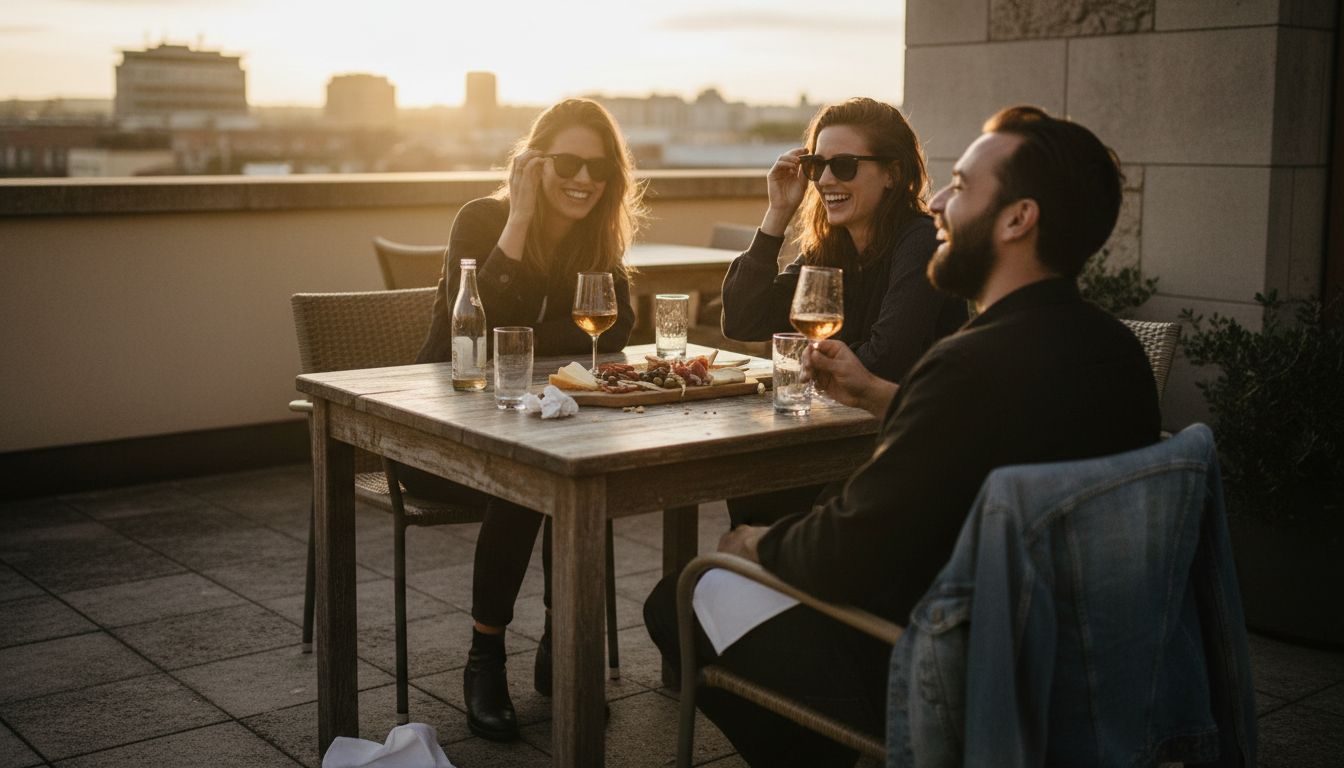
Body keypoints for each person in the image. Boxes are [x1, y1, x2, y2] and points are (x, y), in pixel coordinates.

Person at [643, 106, 1162, 767]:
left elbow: (848, 548)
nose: (939, 201)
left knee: (684, 593)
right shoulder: (1116, 355)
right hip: (1066, 659)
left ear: (1016, 218)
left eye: (963, 186)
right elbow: (987, 436)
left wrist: (756, 544)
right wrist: (884, 397)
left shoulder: (967, 366)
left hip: (937, 658)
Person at [400, 98, 644, 742]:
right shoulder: (481, 220)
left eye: (598, 167)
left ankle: (557, 648)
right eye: (568, 162)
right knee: (534, 475)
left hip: (535, 428)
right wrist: (522, 218)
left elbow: (620, 328)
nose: (584, 179)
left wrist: (529, 331)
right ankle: (492, 660)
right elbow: (474, 323)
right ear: (534, 164)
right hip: (432, 436)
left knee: (548, 468)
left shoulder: (595, 242)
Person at [719, 97, 966, 526]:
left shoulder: (920, 241)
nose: (826, 179)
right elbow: (742, 319)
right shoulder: (830, 250)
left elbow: (888, 360)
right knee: (750, 484)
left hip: (901, 454)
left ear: (892, 173)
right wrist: (777, 213)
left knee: (766, 493)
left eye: (845, 165)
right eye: (817, 165)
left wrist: (806, 367)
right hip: (834, 436)